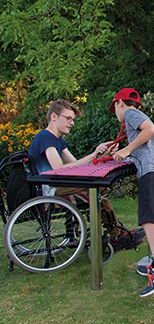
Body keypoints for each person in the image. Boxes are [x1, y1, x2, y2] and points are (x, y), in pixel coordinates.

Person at [28, 99, 145, 250]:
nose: (72, 123)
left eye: (73, 119)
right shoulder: (45, 137)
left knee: (99, 191)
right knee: (96, 191)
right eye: (68, 118)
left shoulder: (57, 141)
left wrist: (101, 155)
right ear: (54, 117)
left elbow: (77, 165)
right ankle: (115, 235)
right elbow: (59, 169)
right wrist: (94, 153)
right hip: (49, 190)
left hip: (56, 186)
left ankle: (113, 233)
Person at [110, 87, 154, 297]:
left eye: (115, 108)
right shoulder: (140, 117)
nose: (116, 114)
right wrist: (133, 152)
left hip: (151, 172)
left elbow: (150, 132)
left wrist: (128, 149)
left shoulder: (130, 114)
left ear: (120, 103)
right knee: (152, 221)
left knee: (148, 220)